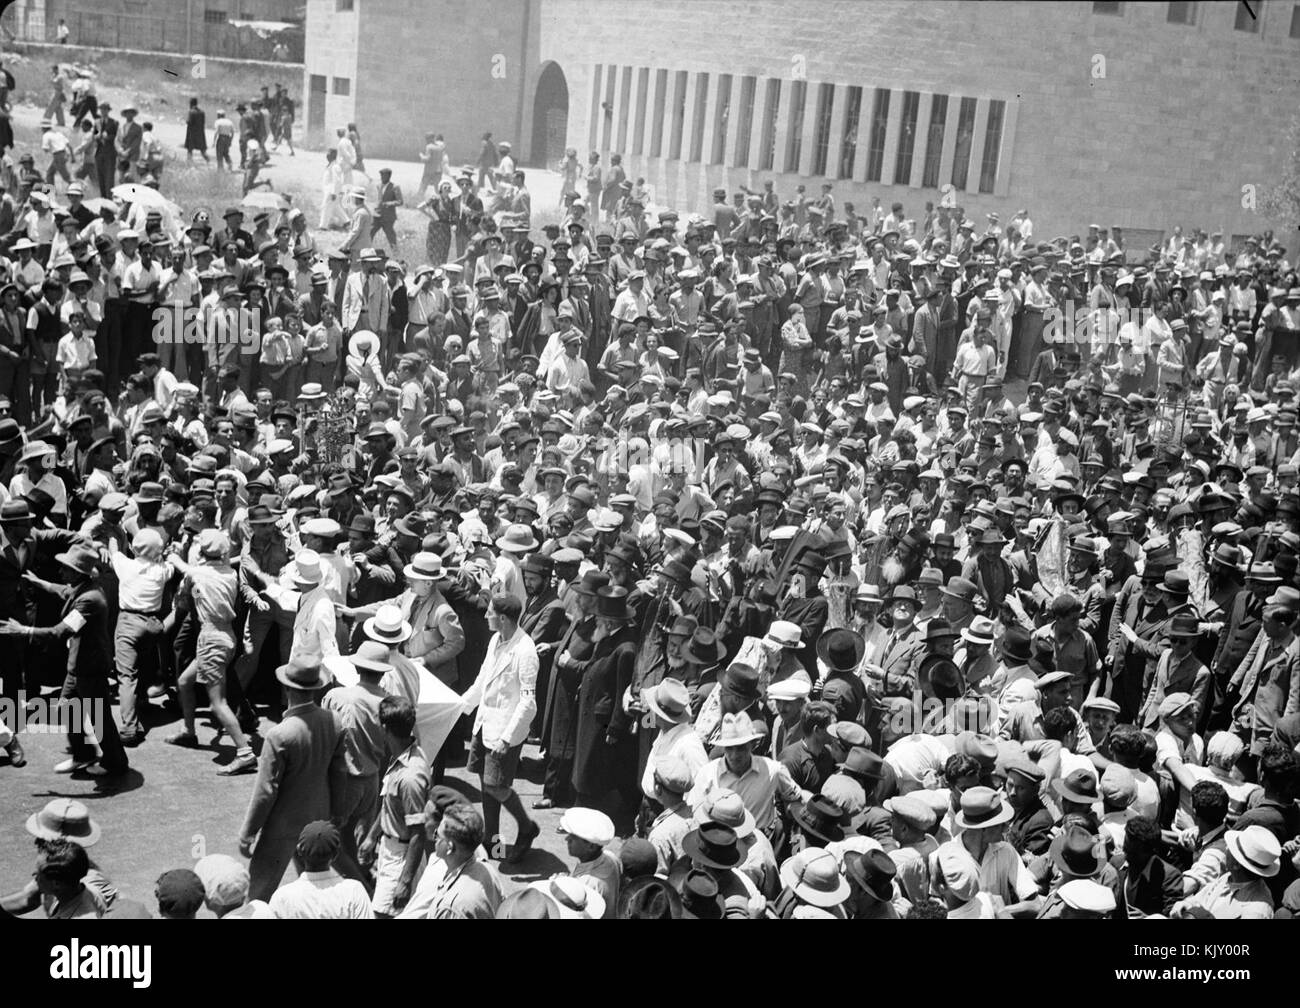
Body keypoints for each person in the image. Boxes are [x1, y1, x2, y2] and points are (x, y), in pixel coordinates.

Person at [238, 659, 348, 901]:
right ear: (315, 688)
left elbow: (266, 792)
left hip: (282, 825)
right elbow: (339, 772)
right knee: (315, 886)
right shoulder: (334, 721)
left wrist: (248, 832)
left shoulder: (279, 734)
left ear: (286, 689)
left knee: (259, 893)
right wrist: (338, 812)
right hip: (318, 816)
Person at [459, 592, 540, 861]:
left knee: (496, 786)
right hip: (484, 725)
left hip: (504, 732)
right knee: (486, 785)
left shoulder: (526, 651)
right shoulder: (496, 639)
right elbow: (483, 679)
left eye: (490, 612)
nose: (486, 616)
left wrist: (507, 738)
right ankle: (492, 842)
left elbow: (528, 704)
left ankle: (527, 828)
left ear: (503, 618)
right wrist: (460, 706)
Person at [184, 98, 208, 163]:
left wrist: (186, 121)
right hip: (200, 134)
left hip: (192, 134)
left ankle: (189, 162)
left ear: (191, 103)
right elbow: (203, 122)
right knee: (202, 150)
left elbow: (189, 122)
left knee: (190, 149)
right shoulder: (202, 112)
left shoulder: (191, 112)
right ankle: (208, 161)